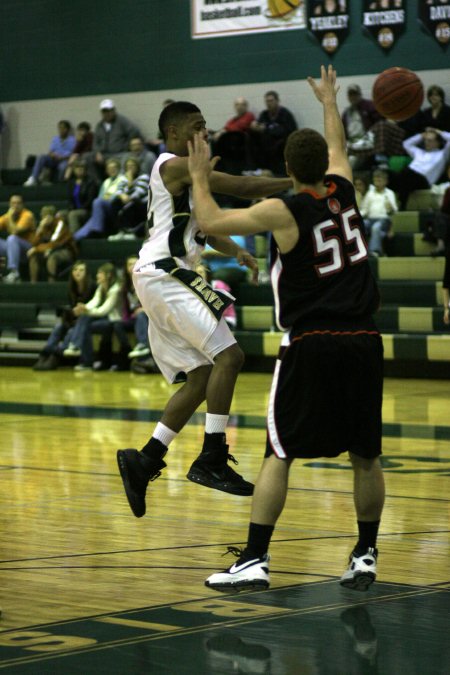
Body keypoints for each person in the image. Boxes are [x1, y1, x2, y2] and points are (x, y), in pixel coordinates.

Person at [187, 65, 384, 593]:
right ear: (325, 165)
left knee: (280, 452)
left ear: (287, 168)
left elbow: (208, 223)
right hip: (365, 339)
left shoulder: (282, 208)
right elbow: (338, 146)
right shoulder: (345, 188)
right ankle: (365, 553)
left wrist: (200, 176)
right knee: (366, 456)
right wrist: (329, 99)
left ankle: (254, 559)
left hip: (312, 340)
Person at [116, 100, 293, 519]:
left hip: (159, 276)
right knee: (230, 357)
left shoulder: (186, 178)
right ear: (174, 134)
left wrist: (238, 253)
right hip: (164, 273)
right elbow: (241, 187)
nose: (205, 133)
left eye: (206, 126)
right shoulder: (172, 165)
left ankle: (144, 460)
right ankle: (212, 456)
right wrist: (299, 182)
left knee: (199, 379)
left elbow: (206, 229)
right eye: (196, 127)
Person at [33, 260, 96, 371]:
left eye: (81, 270)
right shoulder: (71, 288)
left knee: (72, 331)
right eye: (75, 270)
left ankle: (56, 355)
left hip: (89, 318)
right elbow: (71, 309)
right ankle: (46, 353)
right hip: (75, 319)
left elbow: (94, 306)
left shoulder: (92, 287)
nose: (78, 272)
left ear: (86, 273)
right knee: (58, 327)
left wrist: (81, 311)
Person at [63, 262, 121, 370]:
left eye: (100, 273)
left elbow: (104, 310)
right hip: (104, 318)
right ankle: (85, 359)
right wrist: (83, 308)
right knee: (85, 324)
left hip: (114, 320)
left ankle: (79, 350)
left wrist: (86, 311)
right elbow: (94, 302)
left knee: (85, 319)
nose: (97, 275)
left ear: (108, 275)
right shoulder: (101, 287)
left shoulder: (115, 289)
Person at [389, 127, 450, 209]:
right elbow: (406, 144)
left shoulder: (442, 155)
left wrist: (439, 132)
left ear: (438, 142)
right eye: (425, 140)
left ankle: (402, 204)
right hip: (408, 176)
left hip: (424, 181)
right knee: (388, 174)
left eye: (430, 140)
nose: (426, 143)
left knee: (408, 173)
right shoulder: (419, 152)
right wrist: (421, 135)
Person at [111, 255, 153, 370]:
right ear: (126, 268)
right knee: (117, 324)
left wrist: (144, 310)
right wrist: (126, 318)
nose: (132, 266)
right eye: (129, 264)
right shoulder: (125, 286)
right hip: (132, 318)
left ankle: (143, 345)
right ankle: (129, 351)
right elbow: (125, 307)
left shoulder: (147, 281)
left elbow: (155, 303)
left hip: (147, 317)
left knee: (140, 315)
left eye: (135, 263)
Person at [73, 158, 126, 241]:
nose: (112, 170)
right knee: (77, 236)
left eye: (114, 168)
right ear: (107, 170)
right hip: (103, 206)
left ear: (118, 169)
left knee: (97, 202)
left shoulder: (123, 179)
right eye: (109, 168)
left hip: (115, 207)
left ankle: (97, 230)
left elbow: (121, 194)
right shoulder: (106, 182)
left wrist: (110, 197)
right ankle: (77, 237)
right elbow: (100, 196)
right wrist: (105, 197)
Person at [248, 91, 297, 175]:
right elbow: (259, 124)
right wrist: (254, 125)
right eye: (267, 101)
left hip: (281, 146)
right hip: (266, 145)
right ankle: (253, 168)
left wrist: (266, 129)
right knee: (249, 136)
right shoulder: (264, 114)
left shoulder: (285, 114)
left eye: (271, 101)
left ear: (277, 101)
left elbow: (287, 131)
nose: (269, 103)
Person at [91, 99, 140, 179]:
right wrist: (97, 152)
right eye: (104, 111)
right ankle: (97, 184)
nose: (106, 114)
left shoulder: (122, 121)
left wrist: (126, 146)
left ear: (113, 110)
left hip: (119, 153)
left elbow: (134, 132)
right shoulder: (99, 125)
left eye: (108, 111)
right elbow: (95, 142)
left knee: (126, 157)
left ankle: (121, 183)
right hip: (104, 155)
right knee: (88, 158)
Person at [27, 209, 77, 281]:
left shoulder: (60, 223)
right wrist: (40, 228)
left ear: (52, 217)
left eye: (46, 217)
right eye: (43, 217)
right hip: (50, 249)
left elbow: (55, 243)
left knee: (52, 257)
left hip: (67, 250)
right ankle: (33, 283)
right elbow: (34, 243)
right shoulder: (43, 225)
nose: (44, 219)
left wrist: (37, 249)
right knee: (33, 255)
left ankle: (51, 284)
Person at [107, 157, 149, 239]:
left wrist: (130, 181)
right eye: (128, 166)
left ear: (137, 166)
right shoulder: (123, 178)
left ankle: (131, 232)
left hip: (142, 204)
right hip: (127, 200)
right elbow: (118, 190)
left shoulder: (144, 177)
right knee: (115, 203)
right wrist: (122, 195)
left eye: (132, 165)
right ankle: (121, 231)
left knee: (131, 204)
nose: (130, 168)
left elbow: (138, 193)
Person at [24, 120, 76, 186]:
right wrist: (52, 155)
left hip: (64, 160)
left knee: (63, 167)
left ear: (67, 129)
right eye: (59, 128)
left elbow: (73, 154)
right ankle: (34, 178)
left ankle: (59, 184)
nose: (61, 130)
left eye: (63, 128)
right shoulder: (55, 139)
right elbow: (50, 151)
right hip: (54, 159)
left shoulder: (72, 140)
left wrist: (62, 157)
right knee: (41, 157)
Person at [341, 85, 380, 170]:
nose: (353, 97)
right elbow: (342, 131)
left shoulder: (369, 106)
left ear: (360, 94)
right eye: (351, 95)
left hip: (367, 140)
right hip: (351, 142)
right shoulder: (346, 113)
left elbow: (379, 122)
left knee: (351, 161)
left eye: (355, 94)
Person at [360, 168, 398, 256]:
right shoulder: (369, 193)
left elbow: (394, 211)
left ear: (385, 181)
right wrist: (357, 216)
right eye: (375, 180)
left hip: (384, 220)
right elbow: (364, 210)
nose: (377, 182)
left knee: (376, 227)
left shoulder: (389, 193)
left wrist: (390, 208)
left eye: (380, 180)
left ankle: (375, 251)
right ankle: (358, 250)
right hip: (370, 219)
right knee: (360, 224)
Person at [0, 194, 36, 283]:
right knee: (10, 240)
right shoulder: (7, 216)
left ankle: (14, 273)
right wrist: (8, 217)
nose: (15, 206)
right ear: (9, 204)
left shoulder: (27, 215)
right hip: (13, 249)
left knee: (12, 238)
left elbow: (15, 231)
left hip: (28, 248)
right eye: (13, 203)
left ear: (23, 205)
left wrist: (10, 218)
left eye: (18, 203)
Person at [67, 160, 99, 233]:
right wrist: (71, 208)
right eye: (77, 168)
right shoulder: (71, 183)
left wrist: (79, 208)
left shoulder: (90, 182)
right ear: (74, 170)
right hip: (74, 209)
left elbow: (91, 199)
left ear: (85, 169)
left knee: (73, 215)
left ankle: (74, 238)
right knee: (60, 214)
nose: (79, 169)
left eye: (82, 168)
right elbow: (70, 199)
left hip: (86, 209)